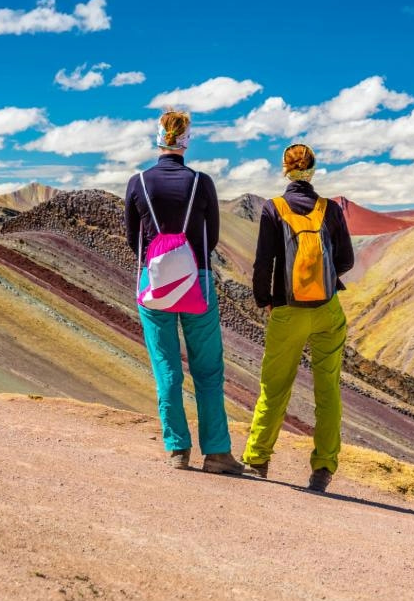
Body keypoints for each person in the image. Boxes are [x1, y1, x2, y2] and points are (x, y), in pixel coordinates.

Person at [124, 110, 244, 475]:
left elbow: (133, 239)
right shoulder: (201, 183)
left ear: (158, 138)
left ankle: (178, 449)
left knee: (166, 366)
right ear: (187, 139)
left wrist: (161, 263)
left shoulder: (138, 182)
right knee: (207, 370)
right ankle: (217, 453)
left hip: (154, 282)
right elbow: (214, 235)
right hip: (198, 281)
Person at [242, 143, 355, 491]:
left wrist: (267, 300)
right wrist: (325, 281)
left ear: (285, 170)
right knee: (328, 390)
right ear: (313, 170)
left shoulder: (273, 208)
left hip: (287, 311)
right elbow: (347, 260)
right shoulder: (330, 209)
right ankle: (322, 469)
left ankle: (258, 458)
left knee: (274, 388)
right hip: (327, 310)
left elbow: (264, 264)